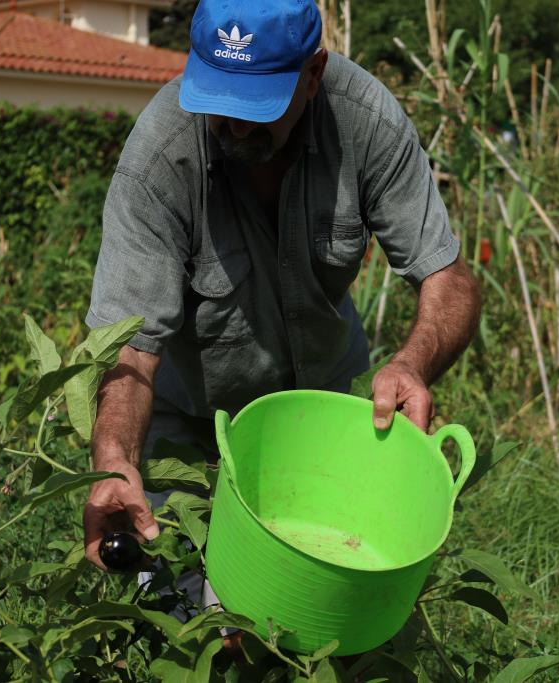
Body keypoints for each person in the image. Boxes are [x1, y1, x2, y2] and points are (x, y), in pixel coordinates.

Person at [80, 0, 481, 603]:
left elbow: (447, 276)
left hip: (322, 418)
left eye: (257, 108)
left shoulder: (364, 120)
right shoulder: (162, 157)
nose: (236, 126)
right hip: (188, 421)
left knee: (318, 599)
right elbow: (130, 348)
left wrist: (412, 364)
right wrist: (115, 461)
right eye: (221, 101)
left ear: (312, 74)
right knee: (181, 606)